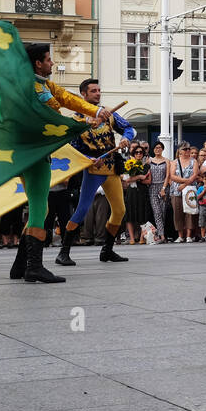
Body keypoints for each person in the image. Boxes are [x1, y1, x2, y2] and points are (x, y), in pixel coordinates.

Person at [23, 45, 113, 282]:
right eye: (48, 60)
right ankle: (33, 266)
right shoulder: (30, 87)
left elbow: (68, 99)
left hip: (34, 150)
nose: (52, 63)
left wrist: (95, 110)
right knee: (39, 209)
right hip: (34, 151)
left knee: (37, 206)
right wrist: (84, 124)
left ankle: (21, 264)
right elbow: (53, 116)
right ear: (37, 64)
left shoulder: (43, 84)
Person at [53, 77, 135, 268]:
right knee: (82, 209)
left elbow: (129, 128)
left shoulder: (108, 115)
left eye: (99, 90)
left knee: (120, 210)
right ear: (84, 94)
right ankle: (63, 252)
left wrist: (125, 139)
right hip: (92, 169)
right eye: (93, 91)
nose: (98, 93)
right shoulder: (76, 120)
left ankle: (107, 249)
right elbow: (70, 148)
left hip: (112, 167)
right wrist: (85, 158)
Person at [122, 144, 151, 244]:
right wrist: (139, 176)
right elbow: (127, 179)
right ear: (133, 153)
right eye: (136, 152)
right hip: (131, 192)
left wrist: (138, 179)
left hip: (142, 191)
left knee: (143, 214)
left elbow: (148, 181)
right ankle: (132, 238)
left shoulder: (146, 165)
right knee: (129, 215)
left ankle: (142, 237)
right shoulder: (129, 163)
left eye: (141, 152)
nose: (139, 154)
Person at [170, 143, 198, 243]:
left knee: (189, 211)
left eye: (188, 149)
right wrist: (184, 182)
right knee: (178, 213)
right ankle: (180, 235)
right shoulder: (174, 162)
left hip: (189, 189)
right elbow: (172, 176)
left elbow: (195, 175)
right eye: (185, 149)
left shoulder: (193, 161)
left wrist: (184, 184)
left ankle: (189, 236)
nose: (187, 151)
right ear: (180, 151)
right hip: (176, 190)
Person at [147, 141, 171, 243]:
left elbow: (168, 175)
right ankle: (162, 236)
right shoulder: (149, 161)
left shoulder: (166, 161)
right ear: (153, 149)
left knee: (162, 212)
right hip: (152, 187)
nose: (158, 149)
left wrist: (163, 188)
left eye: (160, 147)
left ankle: (162, 233)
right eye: (156, 147)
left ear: (162, 149)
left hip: (163, 186)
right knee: (156, 212)